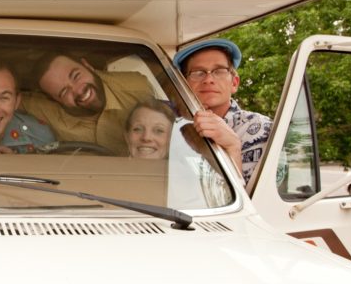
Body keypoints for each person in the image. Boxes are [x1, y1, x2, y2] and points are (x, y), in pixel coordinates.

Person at [172, 38, 271, 183]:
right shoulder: (171, 126)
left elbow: (254, 202)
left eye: (219, 71)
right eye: (198, 72)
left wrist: (232, 148)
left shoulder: (260, 127)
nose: (208, 79)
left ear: (234, 83)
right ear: (185, 85)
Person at [25, 52, 155, 154]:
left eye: (76, 76)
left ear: (87, 66)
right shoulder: (44, 108)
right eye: (64, 92)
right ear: (55, 101)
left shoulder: (138, 88)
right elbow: (8, 101)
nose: (77, 90)